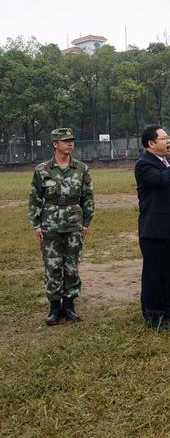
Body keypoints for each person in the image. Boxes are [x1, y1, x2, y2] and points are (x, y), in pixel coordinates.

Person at [29, 128, 95, 325]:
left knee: (72, 266)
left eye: (71, 140)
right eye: (65, 141)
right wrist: (36, 225)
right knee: (52, 266)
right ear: (55, 144)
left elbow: (88, 198)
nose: (70, 143)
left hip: (74, 225)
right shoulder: (42, 170)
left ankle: (69, 305)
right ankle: (54, 308)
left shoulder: (81, 169)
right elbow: (34, 198)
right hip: (50, 225)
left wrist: (86, 223)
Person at [134, 125, 170, 332]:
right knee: (155, 274)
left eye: (168, 138)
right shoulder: (144, 165)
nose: (169, 141)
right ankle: (154, 316)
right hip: (154, 230)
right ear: (151, 143)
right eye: (164, 138)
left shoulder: (165, 162)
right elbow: (162, 180)